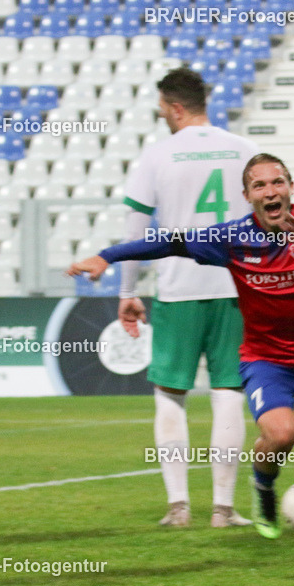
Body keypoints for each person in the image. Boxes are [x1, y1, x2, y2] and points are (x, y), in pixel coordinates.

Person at [69, 154, 294, 557]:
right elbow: (168, 242)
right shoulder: (232, 238)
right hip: (267, 361)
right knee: (282, 434)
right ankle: (263, 485)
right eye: (259, 185)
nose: (270, 191)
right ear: (247, 195)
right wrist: (107, 256)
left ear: (290, 187)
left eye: (277, 182)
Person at [115, 67, 259, 529]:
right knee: (229, 393)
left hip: (178, 288)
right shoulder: (244, 150)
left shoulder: (158, 155)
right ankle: (223, 508)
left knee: (170, 395)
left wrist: (127, 291)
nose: (161, 114)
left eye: (162, 107)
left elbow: (135, 229)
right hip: (235, 288)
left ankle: (178, 506)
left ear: (175, 107)